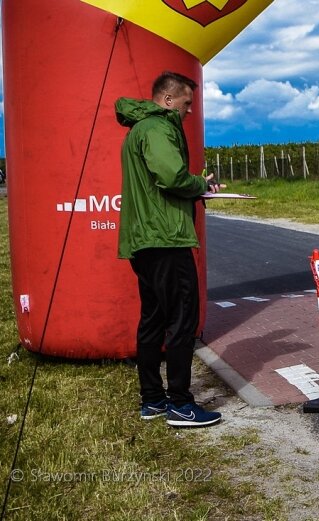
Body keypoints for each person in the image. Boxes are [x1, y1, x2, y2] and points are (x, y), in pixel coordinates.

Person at [116, 71, 224, 427]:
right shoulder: (158, 127)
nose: (190, 111)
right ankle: (180, 403)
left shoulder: (138, 129)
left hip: (143, 239)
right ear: (167, 100)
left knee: (153, 318)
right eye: (186, 103)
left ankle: (152, 399)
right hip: (166, 237)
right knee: (182, 319)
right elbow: (172, 176)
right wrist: (199, 185)